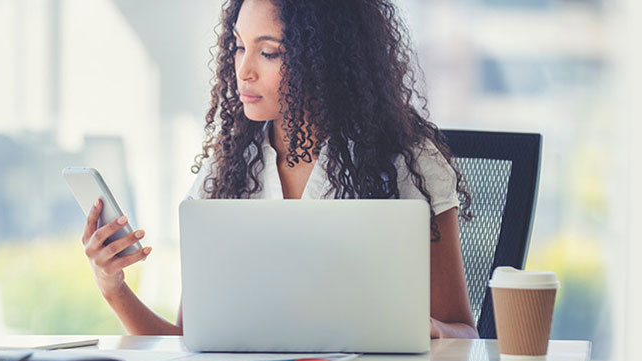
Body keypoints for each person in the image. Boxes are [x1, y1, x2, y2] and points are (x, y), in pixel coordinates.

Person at [80, 0, 479, 339]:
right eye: (238, 47)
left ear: (323, 59)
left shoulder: (406, 162)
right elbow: (189, 343)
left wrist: (423, 330)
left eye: (269, 52)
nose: (244, 70)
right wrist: (113, 287)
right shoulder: (229, 168)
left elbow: (464, 333)